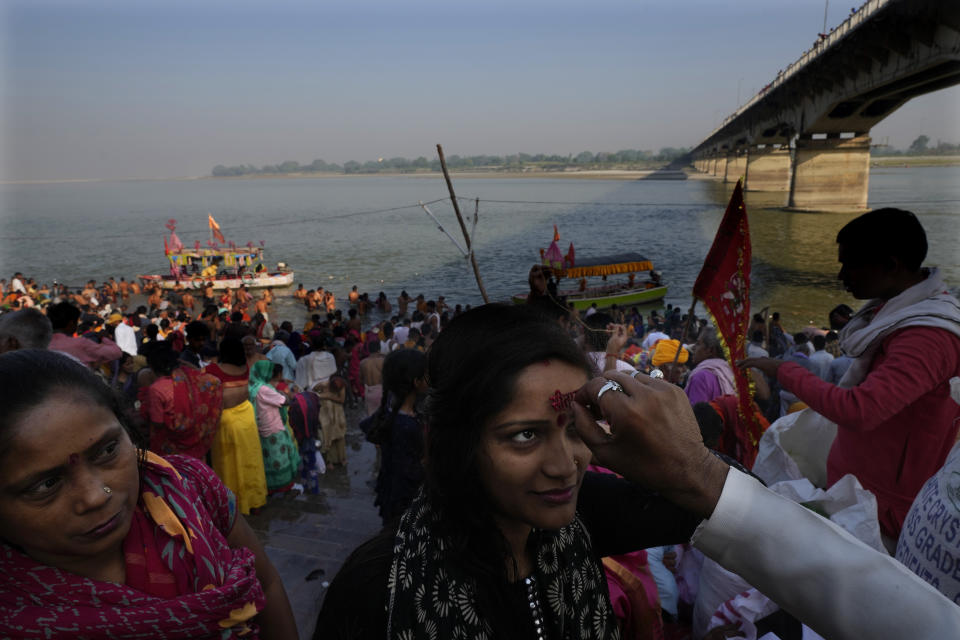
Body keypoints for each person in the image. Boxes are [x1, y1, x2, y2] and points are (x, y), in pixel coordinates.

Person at [315, 305, 702, 639]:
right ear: (457, 443)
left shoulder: (582, 516)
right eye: (526, 435)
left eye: (575, 430)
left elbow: (715, 504)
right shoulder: (376, 589)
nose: (564, 465)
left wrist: (679, 457)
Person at [0, 349, 297, 638]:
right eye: (46, 485)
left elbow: (266, 583)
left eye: (107, 450)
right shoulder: (15, 610)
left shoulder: (191, 487)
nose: (96, 496)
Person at [741, 208, 960, 542]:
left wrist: (784, 371)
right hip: (859, 492)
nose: (841, 276)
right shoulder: (890, 312)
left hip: (884, 510)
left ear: (891, 265)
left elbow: (860, 410)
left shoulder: (926, 337)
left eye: (851, 264)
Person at [361, 349, 428, 526]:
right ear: (417, 382)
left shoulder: (391, 410)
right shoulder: (406, 425)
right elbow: (408, 473)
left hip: (389, 492)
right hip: (403, 503)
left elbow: (367, 426)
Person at [206, 338, 268, 515]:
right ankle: (254, 499)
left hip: (226, 420)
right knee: (250, 459)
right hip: (247, 416)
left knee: (229, 464)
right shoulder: (245, 368)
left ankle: (233, 506)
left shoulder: (213, 370)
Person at [143, 342, 223, 459]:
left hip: (171, 450)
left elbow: (157, 422)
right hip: (197, 446)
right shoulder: (192, 378)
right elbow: (215, 382)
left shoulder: (156, 389)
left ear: (152, 367)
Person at [248, 361, 301, 494]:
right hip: (273, 428)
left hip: (262, 427)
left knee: (268, 460)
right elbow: (286, 401)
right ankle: (283, 486)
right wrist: (283, 393)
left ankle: (271, 487)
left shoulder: (253, 386)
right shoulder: (264, 389)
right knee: (279, 459)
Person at [47, 301, 122, 367]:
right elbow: (116, 352)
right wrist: (104, 338)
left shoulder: (41, 344)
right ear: (71, 323)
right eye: (76, 322)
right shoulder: (80, 344)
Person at [685, 327, 736, 405]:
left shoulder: (701, 377)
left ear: (711, 350)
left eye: (698, 344)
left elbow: (696, 415)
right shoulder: (729, 372)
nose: (693, 348)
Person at [359, 339, 386, 415]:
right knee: (383, 417)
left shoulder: (363, 362)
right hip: (381, 392)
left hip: (369, 393)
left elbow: (360, 381)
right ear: (379, 350)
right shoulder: (382, 361)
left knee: (371, 418)